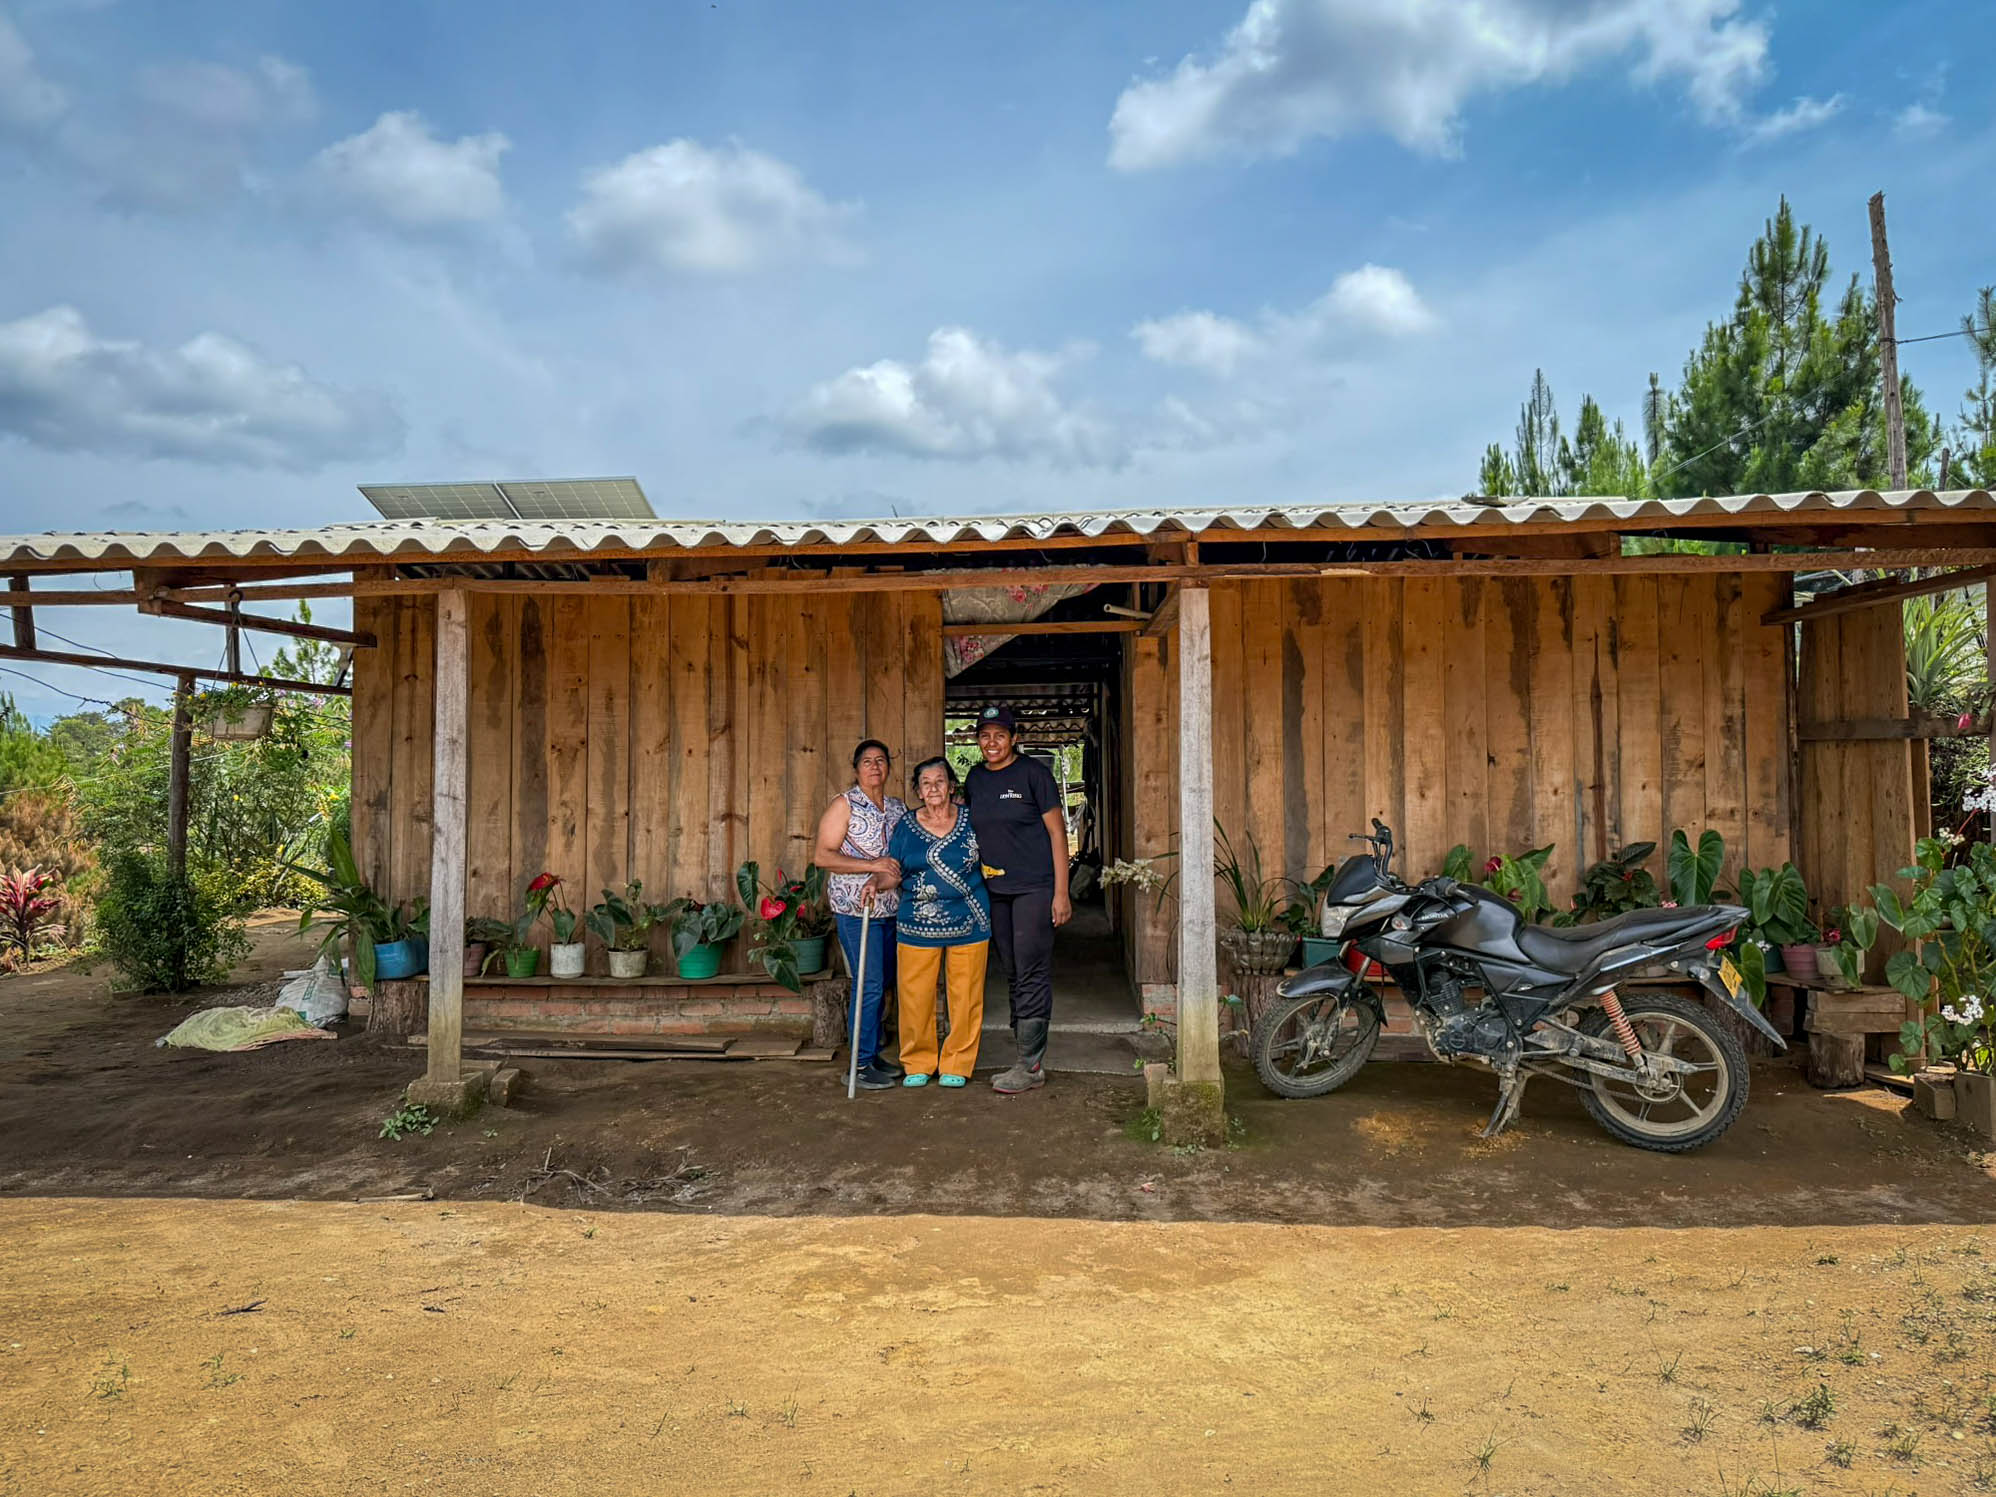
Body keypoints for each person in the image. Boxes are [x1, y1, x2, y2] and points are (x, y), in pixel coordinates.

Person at [961, 704, 1070, 1093]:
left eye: (1000, 735)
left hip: (1035, 887)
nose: (992, 742)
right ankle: (1022, 1056)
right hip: (995, 890)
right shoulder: (974, 779)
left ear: (1014, 738)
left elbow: (1058, 834)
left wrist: (1061, 892)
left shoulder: (1034, 775)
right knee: (1011, 970)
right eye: (985, 735)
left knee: (1031, 970)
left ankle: (1031, 1065)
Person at [886, 757, 991, 1088]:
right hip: (917, 922)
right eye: (926, 783)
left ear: (951, 786)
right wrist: (875, 885)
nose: (933, 788)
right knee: (915, 996)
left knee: (966, 995)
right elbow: (892, 869)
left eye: (940, 781)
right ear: (918, 790)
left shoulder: (973, 820)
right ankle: (918, 1060)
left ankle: (957, 1062)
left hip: (970, 918)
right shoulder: (905, 826)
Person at [814, 739, 906, 1090]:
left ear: (888, 768)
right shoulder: (844, 805)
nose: (874, 767)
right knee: (867, 983)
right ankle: (858, 1064)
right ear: (856, 769)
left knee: (882, 984)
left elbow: (901, 856)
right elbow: (823, 856)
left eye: (881, 760)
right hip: (856, 908)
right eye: (867, 761)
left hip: (890, 908)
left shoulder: (897, 808)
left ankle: (870, 1054)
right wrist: (870, 866)